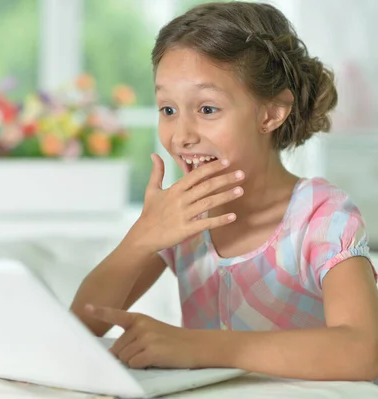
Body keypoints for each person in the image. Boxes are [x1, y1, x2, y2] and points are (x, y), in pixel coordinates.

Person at [70, 1, 378, 382]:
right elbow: (79, 329)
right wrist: (141, 237)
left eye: (208, 109)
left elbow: (364, 352)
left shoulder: (322, 216)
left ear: (270, 114)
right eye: (168, 109)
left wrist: (199, 347)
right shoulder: (185, 214)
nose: (181, 136)